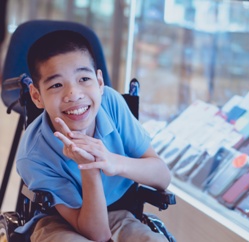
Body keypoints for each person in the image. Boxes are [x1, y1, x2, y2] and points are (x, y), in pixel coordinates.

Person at [16, 30, 171, 242]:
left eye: (84, 79)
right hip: (58, 221)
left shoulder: (112, 105)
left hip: (120, 214)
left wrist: (113, 162)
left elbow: (163, 177)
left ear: (99, 83)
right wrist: (89, 168)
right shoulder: (32, 155)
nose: (74, 94)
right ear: (37, 96)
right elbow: (97, 235)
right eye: (56, 85)